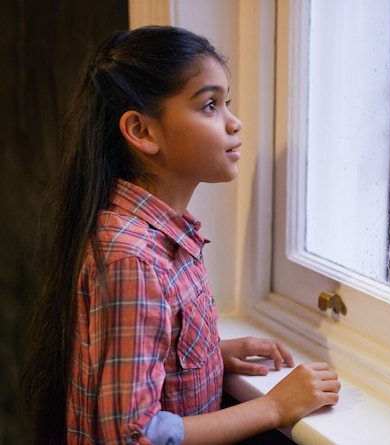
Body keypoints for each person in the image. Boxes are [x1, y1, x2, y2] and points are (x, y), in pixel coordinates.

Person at [21, 25, 340, 445]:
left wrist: (210, 356)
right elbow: (134, 435)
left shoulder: (160, 235)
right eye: (210, 105)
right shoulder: (133, 260)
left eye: (227, 102)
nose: (234, 122)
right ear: (142, 132)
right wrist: (274, 407)